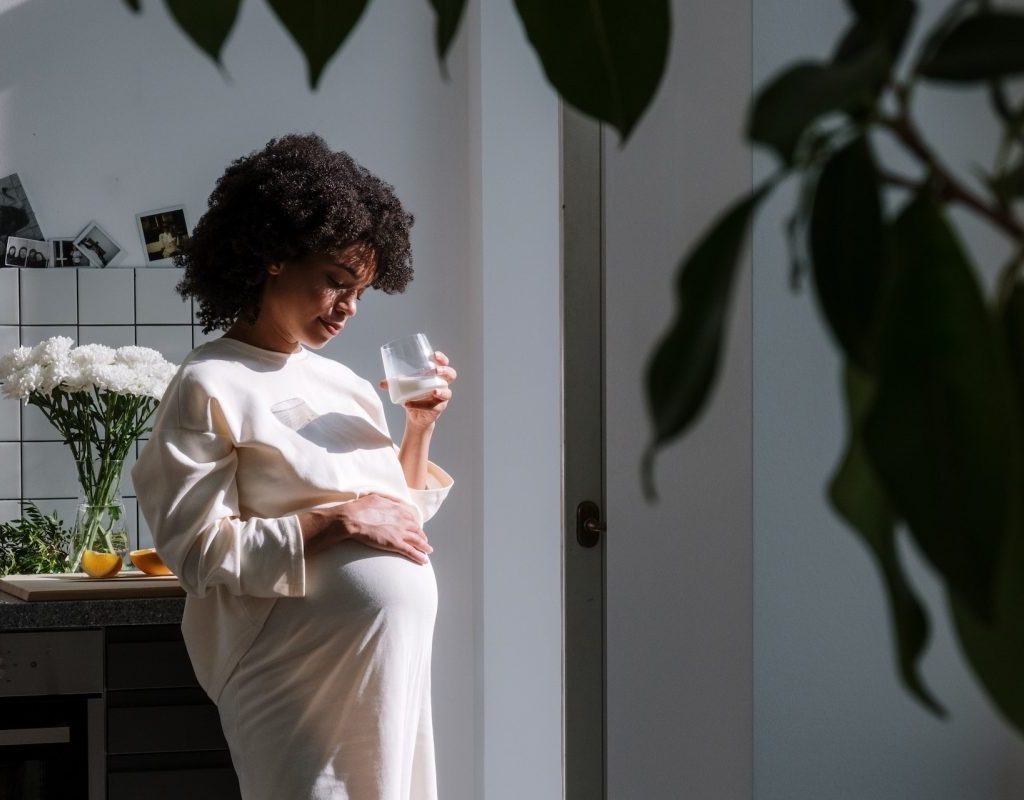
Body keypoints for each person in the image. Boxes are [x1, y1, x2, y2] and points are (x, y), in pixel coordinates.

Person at [130, 132, 457, 800]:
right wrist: (334, 520)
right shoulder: (210, 381)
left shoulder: (347, 384)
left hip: (388, 675)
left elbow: (395, 516)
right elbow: (197, 552)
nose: (348, 310)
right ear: (274, 256)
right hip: (291, 673)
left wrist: (418, 427)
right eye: (336, 283)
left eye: (362, 292)